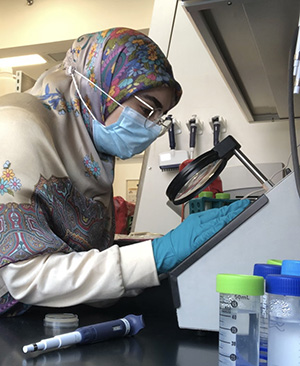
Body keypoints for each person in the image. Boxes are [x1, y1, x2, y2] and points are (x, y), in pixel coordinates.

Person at [0, 28, 249, 316]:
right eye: (147, 109)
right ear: (100, 87)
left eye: (160, 117)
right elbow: (27, 278)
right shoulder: (15, 128)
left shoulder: (91, 156)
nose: (153, 128)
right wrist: (155, 256)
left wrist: (149, 250)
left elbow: (79, 256)